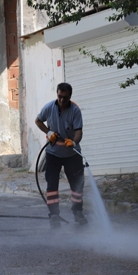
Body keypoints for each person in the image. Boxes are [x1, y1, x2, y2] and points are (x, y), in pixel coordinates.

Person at [35, 82, 86, 228]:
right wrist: (49, 132)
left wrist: (74, 143)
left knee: (77, 186)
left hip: (72, 154)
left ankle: (78, 213)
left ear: (70, 96)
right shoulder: (49, 107)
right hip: (53, 154)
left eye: (65, 97)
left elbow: (78, 132)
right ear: (57, 94)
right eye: (59, 96)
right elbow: (38, 121)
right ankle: (54, 216)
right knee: (52, 186)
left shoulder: (75, 111)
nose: (62, 100)